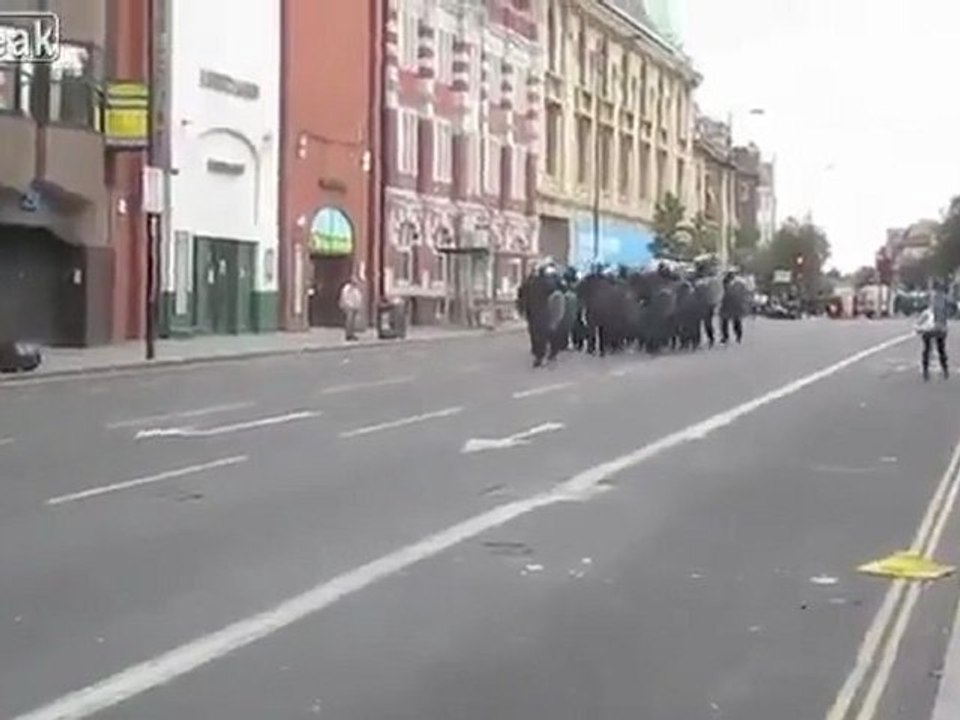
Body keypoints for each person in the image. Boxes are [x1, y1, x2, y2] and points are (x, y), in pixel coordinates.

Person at [918, 281, 950, 381]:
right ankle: (945, 369)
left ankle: (925, 371)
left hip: (929, 326)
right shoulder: (944, 299)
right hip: (940, 327)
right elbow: (946, 313)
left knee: (927, 349)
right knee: (941, 349)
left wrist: (920, 325)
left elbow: (923, 311)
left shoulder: (929, 297)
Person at [338, 275, 363, 341]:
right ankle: (348, 335)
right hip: (349, 307)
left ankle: (352, 334)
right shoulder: (347, 288)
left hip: (354, 307)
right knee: (349, 321)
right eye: (355, 281)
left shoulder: (355, 289)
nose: (356, 282)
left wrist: (358, 305)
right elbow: (345, 297)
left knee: (352, 322)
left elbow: (358, 297)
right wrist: (349, 305)